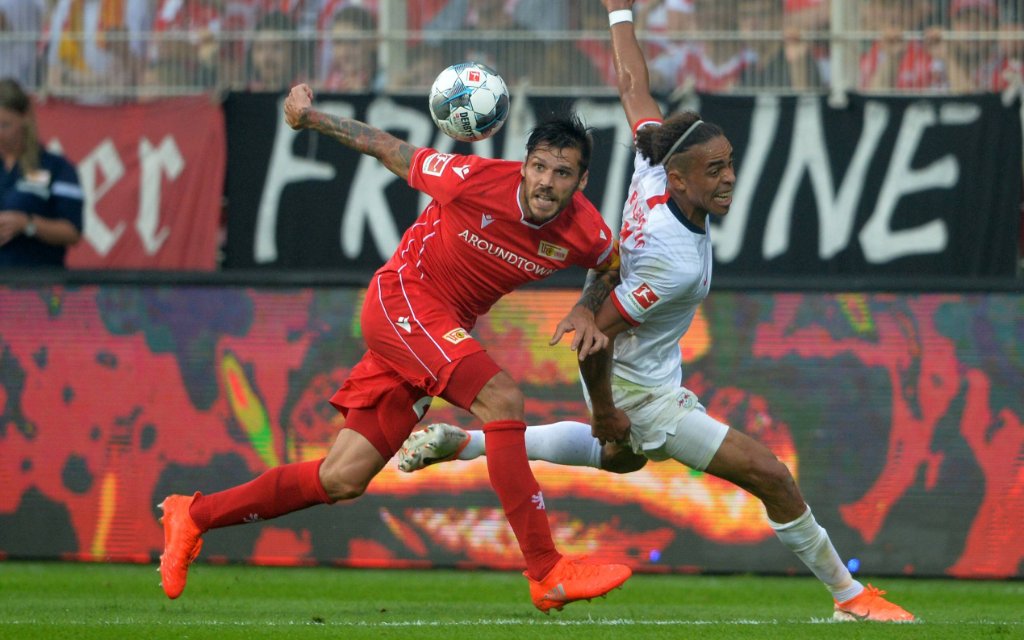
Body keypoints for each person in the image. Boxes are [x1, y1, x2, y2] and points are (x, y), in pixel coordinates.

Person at [397, 0, 916, 623]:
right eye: (714, 171)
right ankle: (850, 597)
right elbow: (594, 335)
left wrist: (619, 13)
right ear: (679, 178)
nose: (728, 180)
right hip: (642, 391)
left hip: (645, 373)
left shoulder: (650, 158)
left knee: (624, 457)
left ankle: (467, 446)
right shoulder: (676, 262)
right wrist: (610, 408)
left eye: (729, 165)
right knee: (770, 474)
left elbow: (630, 84)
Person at [157, 83, 632, 612]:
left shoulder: (586, 231)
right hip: (401, 298)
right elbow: (387, 147)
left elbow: (610, 264)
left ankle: (192, 515)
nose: (547, 182)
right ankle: (546, 570)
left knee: (341, 478)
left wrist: (588, 305)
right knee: (503, 401)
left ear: (582, 181)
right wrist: (309, 117)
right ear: (524, 165)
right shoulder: (471, 180)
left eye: (562, 173)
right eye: (539, 167)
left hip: (434, 330)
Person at [0, 78, 83, 268]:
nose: (0, 134)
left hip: (39, 286)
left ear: (24, 118)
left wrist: (27, 224)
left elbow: (73, 232)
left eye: (5, 125)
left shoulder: (56, 167)